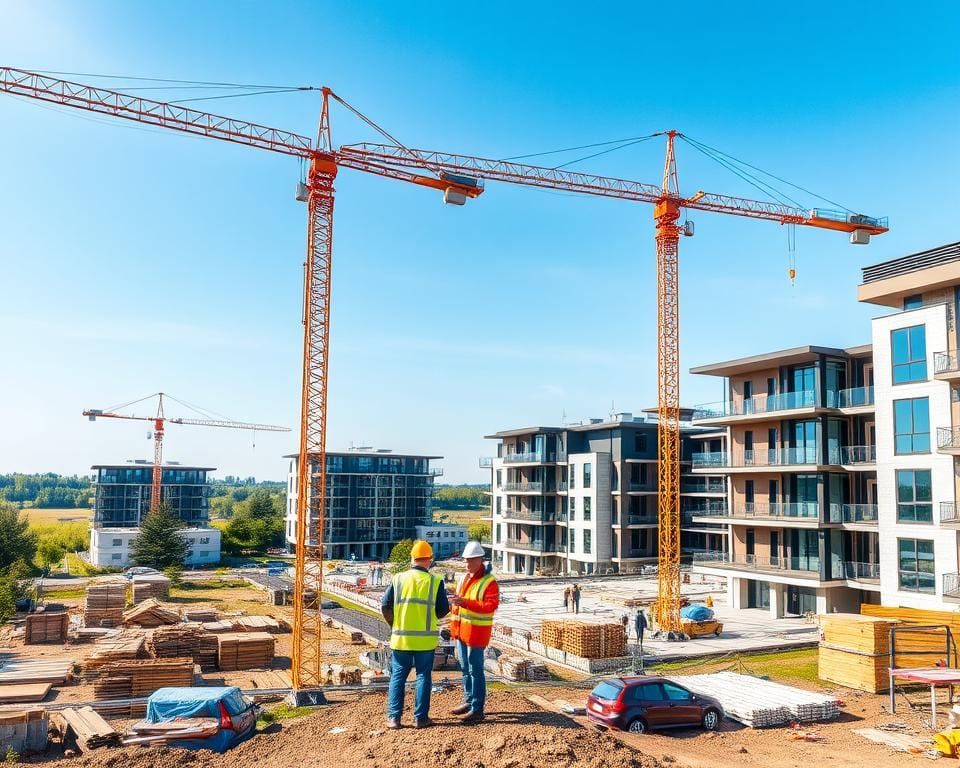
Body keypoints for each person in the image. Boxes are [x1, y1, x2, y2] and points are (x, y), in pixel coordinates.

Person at [380, 539, 449, 730]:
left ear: (412, 559)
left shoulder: (399, 579)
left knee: (398, 678)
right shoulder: (435, 582)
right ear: (429, 560)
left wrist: (395, 624)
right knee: (423, 676)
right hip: (425, 641)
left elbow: (385, 606)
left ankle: (394, 719)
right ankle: (421, 718)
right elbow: (443, 610)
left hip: (401, 639)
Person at [449, 540, 499, 724]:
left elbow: (490, 606)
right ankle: (469, 700)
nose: (466, 563)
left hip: (476, 634)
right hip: (461, 631)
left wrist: (466, 603)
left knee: (475, 669)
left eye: (470, 560)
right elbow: (460, 605)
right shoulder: (462, 578)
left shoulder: (489, 582)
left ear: (480, 560)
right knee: (464, 668)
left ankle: (477, 708)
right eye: (465, 560)